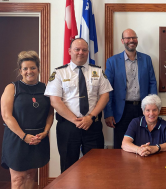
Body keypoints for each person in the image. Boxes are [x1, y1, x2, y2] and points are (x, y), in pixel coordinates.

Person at [44, 38, 113, 173]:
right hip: (68, 127)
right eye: (77, 49)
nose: (81, 52)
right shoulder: (59, 73)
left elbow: (105, 96)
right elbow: (55, 101)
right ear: (70, 51)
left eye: (84, 50)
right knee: (68, 167)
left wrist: (90, 117)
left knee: (96, 167)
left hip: (92, 125)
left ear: (88, 52)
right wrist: (75, 121)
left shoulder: (98, 71)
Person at [1, 51, 54, 189]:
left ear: (38, 69)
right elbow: (7, 116)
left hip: (38, 138)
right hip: (17, 139)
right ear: (20, 71)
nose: (29, 71)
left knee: (31, 175)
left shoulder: (46, 88)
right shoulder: (12, 88)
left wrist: (46, 132)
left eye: (33, 68)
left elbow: (50, 114)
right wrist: (24, 136)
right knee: (18, 179)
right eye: (25, 68)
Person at [104, 28, 157, 149]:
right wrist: (108, 112)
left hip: (143, 109)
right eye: (128, 38)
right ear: (122, 41)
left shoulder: (147, 59)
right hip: (121, 111)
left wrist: (153, 107)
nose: (131, 40)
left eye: (134, 37)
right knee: (121, 146)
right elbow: (107, 89)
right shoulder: (112, 62)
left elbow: (152, 83)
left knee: (144, 143)